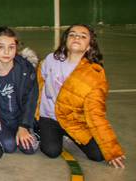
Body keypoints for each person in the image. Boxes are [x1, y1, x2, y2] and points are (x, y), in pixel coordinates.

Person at [37, 24, 126, 168]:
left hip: (74, 121)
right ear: (66, 40)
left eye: (83, 36)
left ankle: (69, 135)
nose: (76, 37)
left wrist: (112, 150)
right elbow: (39, 82)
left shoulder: (94, 75)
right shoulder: (51, 60)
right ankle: (40, 129)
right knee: (51, 151)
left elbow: (96, 114)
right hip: (49, 117)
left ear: (89, 46)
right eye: (72, 34)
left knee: (98, 155)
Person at [0, 26, 39, 155]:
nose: (6, 52)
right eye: (1, 47)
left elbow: (31, 100)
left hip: (19, 118)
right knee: (9, 145)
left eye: (11, 47)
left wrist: (24, 126)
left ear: (16, 49)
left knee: (29, 149)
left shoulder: (26, 69)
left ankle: (32, 130)